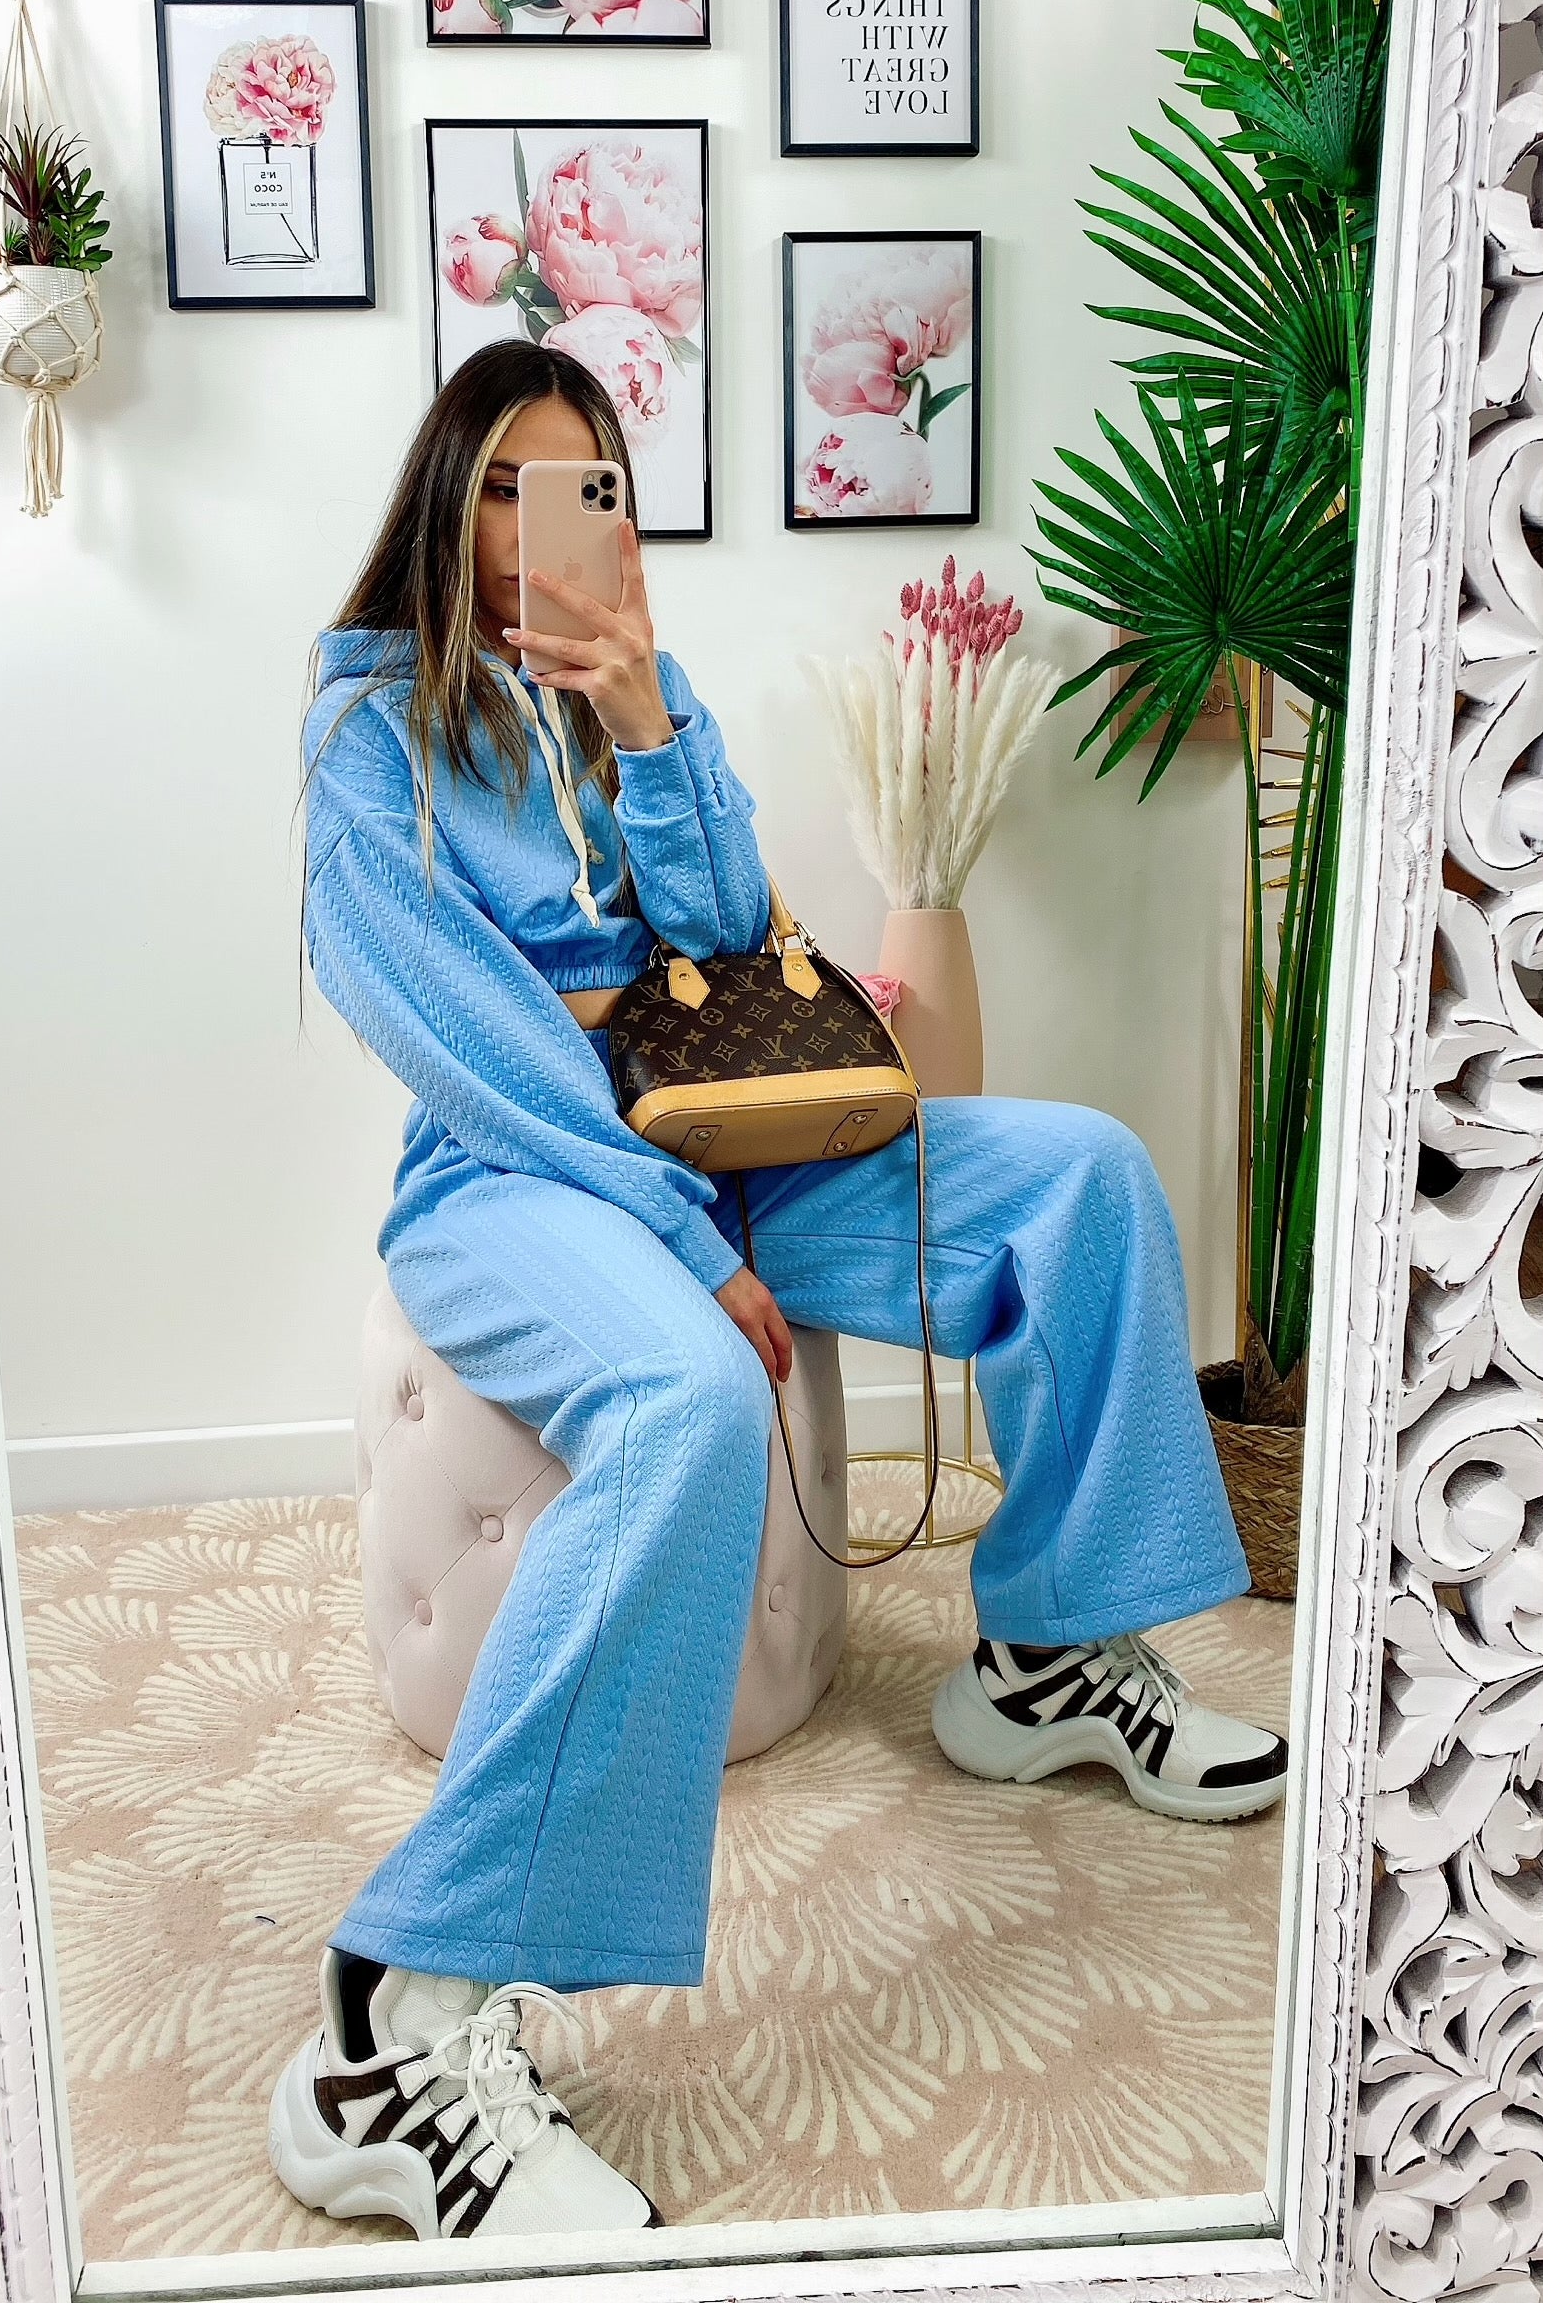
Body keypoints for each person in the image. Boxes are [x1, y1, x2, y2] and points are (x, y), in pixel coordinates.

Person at [269, 339, 1286, 2245]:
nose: (540, 532)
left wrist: (647, 719)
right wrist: (681, 1244)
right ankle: (392, 2025)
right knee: (688, 1394)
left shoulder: (629, 688)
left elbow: (736, 938)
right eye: (506, 489)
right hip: (518, 1178)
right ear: (442, 502)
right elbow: (480, 1051)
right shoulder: (366, 735)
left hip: (732, 1136)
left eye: (582, 488)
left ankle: (1049, 1654)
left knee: (1081, 1177)